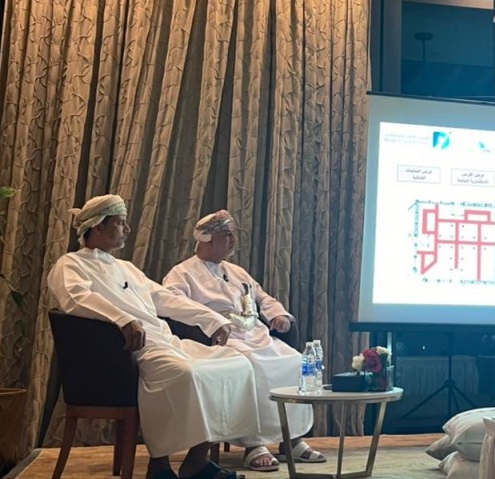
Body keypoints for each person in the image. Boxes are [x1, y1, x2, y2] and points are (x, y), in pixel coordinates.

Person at [48, 195, 258, 479]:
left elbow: (163, 298)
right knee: (185, 373)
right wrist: (124, 320)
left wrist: (213, 320)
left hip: (166, 342)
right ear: (98, 227)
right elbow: (75, 298)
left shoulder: (126, 268)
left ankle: (197, 461)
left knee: (237, 364)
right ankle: (159, 465)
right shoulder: (71, 264)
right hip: (127, 352)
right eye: (120, 223)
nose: (127, 229)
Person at [163, 210, 325, 472]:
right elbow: (172, 303)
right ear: (207, 239)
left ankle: (292, 439)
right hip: (221, 339)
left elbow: (263, 298)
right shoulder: (182, 273)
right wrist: (210, 321)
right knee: (252, 365)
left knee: (296, 361)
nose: (233, 240)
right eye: (227, 235)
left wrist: (278, 315)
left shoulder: (237, 271)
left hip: (256, 334)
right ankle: (254, 444)